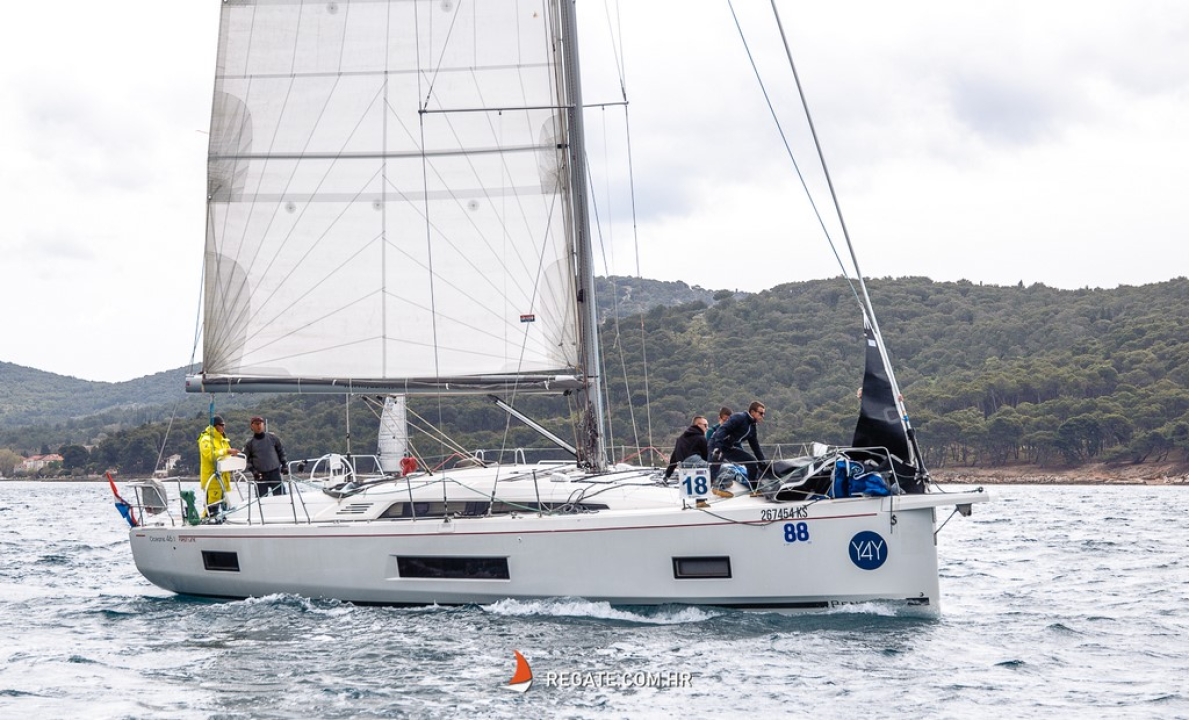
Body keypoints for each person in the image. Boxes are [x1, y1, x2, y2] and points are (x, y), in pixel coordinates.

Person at [709, 401, 767, 488]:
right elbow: (722, 430)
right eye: (761, 413)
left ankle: (754, 489)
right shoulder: (740, 417)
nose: (762, 416)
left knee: (752, 462)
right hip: (716, 445)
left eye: (763, 413)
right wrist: (717, 448)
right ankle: (704, 496)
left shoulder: (752, 427)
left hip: (728, 447)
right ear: (752, 412)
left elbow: (755, 447)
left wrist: (762, 463)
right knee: (713, 470)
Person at [198, 416, 239, 517]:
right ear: (215, 426)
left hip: (225, 480)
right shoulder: (206, 440)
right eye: (222, 425)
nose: (224, 427)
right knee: (212, 508)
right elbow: (210, 455)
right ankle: (205, 521)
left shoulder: (223, 440)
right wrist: (227, 451)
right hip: (212, 481)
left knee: (229, 508)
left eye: (224, 425)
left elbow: (227, 455)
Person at [243, 416, 288, 497]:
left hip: (275, 472)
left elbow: (281, 452)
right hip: (260, 475)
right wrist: (253, 471)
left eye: (260, 424)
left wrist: (284, 465)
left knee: (281, 497)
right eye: (256, 424)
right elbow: (246, 459)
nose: (259, 426)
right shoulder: (249, 443)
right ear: (252, 426)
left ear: (263, 425)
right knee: (261, 499)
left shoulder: (273, 438)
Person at [663, 415, 710, 480]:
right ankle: (720, 486)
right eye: (705, 425)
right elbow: (706, 457)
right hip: (696, 464)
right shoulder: (701, 438)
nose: (707, 428)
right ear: (698, 425)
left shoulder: (680, 439)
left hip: (683, 468)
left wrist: (667, 475)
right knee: (721, 468)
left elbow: (673, 459)